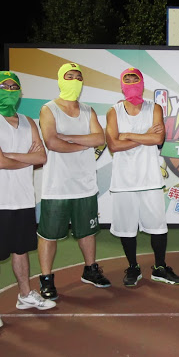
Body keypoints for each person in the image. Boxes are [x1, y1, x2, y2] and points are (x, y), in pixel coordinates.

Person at [0, 71, 56, 327]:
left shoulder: (28, 121)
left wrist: (9, 155)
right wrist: (24, 157)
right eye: (5, 86)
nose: (10, 91)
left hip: (23, 199)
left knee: (21, 251)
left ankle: (25, 294)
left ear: (20, 92)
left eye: (14, 87)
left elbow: (41, 157)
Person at [37, 63, 108, 300]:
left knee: (87, 231)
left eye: (78, 77)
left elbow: (99, 138)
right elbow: (51, 142)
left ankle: (90, 270)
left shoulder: (88, 111)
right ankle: (46, 279)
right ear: (60, 80)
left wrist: (67, 137)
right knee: (49, 235)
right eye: (69, 76)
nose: (75, 80)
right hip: (57, 185)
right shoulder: (49, 109)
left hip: (85, 184)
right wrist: (82, 144)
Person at [105, 68, 179, 286]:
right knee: (126, 228)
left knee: (158, 226)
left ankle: (160, 267)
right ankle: (133, 267)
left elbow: (158, 139)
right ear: (122, 85)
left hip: (150, 179)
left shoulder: (154, 108)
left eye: (135, 79)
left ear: (142, 83)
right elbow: (113, 144)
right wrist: (145, 136)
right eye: (127, 80)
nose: (131, 83)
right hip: (123, 181)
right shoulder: (114, 111)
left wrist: (128, 135)